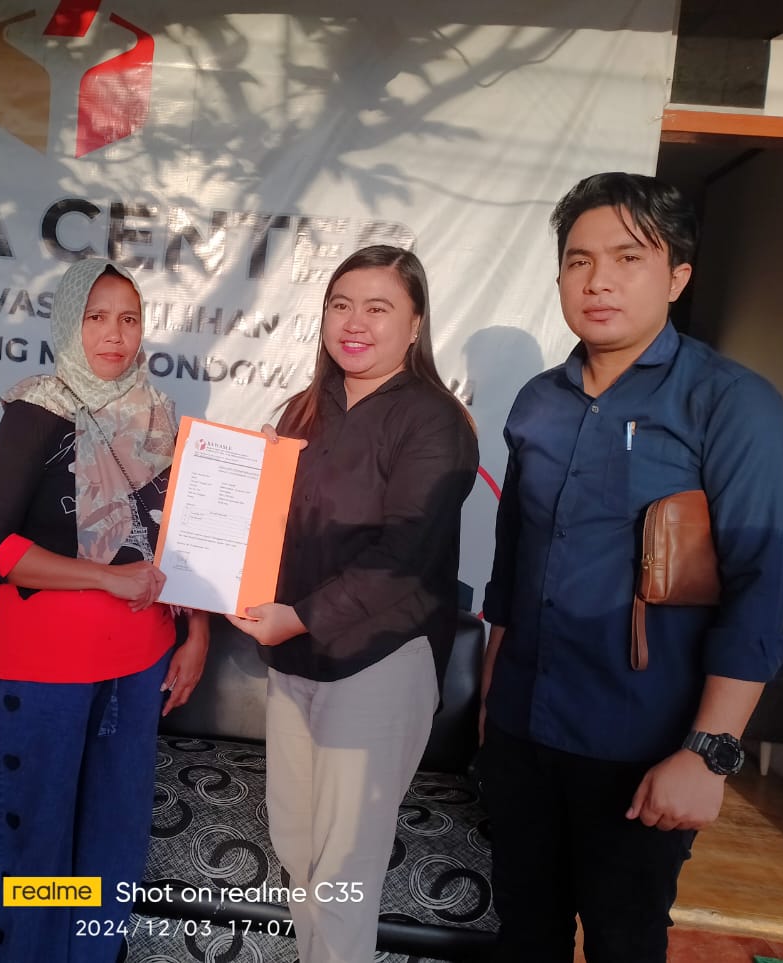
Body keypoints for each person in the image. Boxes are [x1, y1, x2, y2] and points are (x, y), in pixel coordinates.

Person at [479, 172, 783, 963]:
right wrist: (491, 708)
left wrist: (708, 752)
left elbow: (760, 590)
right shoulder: (537, 403)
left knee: (625, 942)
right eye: (579, 260)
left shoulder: (731, 403)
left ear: (678, 275)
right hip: (522, 733)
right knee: (522, 936)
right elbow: (512, 570)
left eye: (628, 258)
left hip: (642, 746)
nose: (599, 281)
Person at [227, 245, 478, 963]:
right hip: (294, 659)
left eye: (377, 307)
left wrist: (299, 616)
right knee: (297, 846)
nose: (354, 323)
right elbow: (274, 531)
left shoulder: (434, 420)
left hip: (379, 661)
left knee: (343, 869)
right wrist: (246, 485)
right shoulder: (304, 410)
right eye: (340, 305)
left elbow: (405, 556)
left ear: (416, 323)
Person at [0, 257, 210, 963]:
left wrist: (197, 634)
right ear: (69, 323)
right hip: (46, 668)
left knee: (110, 839)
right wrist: (104, 578)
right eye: (95, 317)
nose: (114, 334)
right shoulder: (38, 409)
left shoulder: (159, 415)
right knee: (35, 843)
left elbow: (182, 538)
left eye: (128, 318)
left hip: (139, 664)